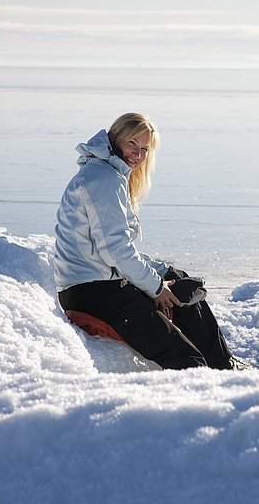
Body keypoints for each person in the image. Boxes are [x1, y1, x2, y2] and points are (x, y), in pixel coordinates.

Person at [54, 113, 243, 370]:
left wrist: (163, 273)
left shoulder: (107, 173)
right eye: (132, 144)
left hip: (105, 285)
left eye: (144, 149)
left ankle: (224, 366)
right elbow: (116, 252)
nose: (138, 155)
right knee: (188, 361)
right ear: (115, 138)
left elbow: (115, 252)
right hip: (95, 293)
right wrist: (156, 287)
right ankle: (209, 387)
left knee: (183, 285)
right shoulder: (104, 179)